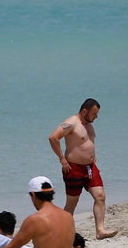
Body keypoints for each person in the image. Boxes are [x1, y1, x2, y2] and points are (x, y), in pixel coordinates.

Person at [48, 98, 117, 239]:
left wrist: (92, 155)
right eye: (94, 113)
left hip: (90, 168)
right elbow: (53, 138)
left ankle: (100, 230)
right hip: (73, 168)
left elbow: (87, 142)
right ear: (85, 111)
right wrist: (62, 158)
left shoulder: (89, 125)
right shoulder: (71, 123)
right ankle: (61, 232)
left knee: (100, 197)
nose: (96, 117)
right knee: (72, 204)